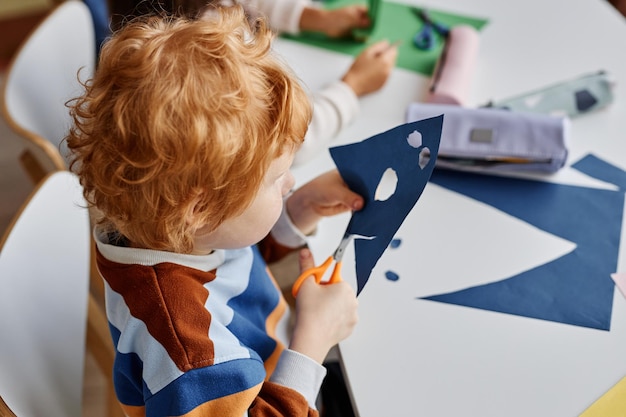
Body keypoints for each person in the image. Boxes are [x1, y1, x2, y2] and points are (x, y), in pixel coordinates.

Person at [67, 6, 363, 417]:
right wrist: (315, 339)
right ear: (200, 207)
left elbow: (232, 264)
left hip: (273, 361)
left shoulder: (168, 231)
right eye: (277, 178)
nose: (290, 181)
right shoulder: (188, 357)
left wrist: (295, 211)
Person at [107, 0, 399, 165]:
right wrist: (352, 88)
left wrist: (316, 18)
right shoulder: (201, 55)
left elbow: (244, 3)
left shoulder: (200, 12)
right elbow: (279, 144)